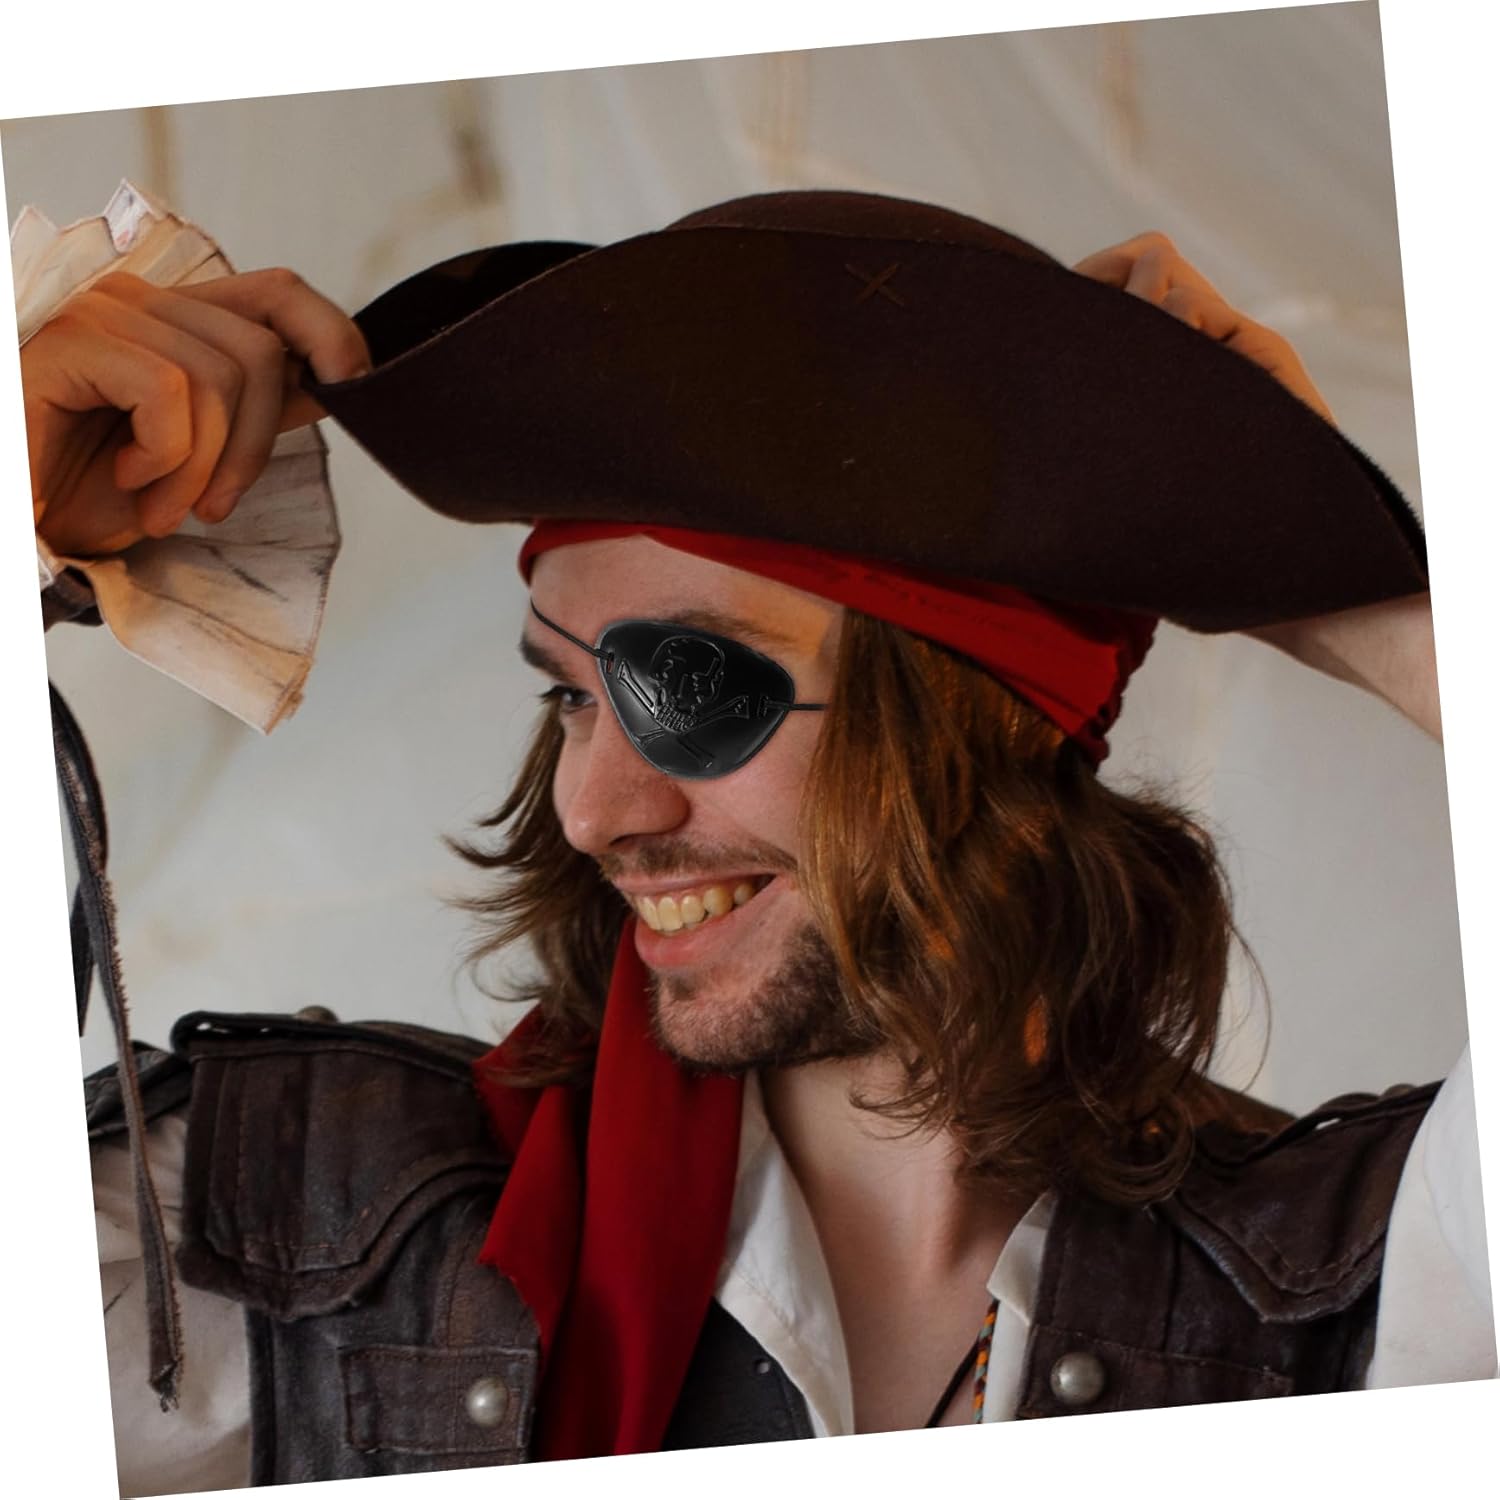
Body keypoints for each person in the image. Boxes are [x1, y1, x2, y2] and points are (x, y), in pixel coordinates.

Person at [24, 190, 1490, 1495]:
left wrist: (1309, 555)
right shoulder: (280, 1227)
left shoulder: (1349, 1292)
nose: (597, 811)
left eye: (690, 688)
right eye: (571, 697)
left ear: (978, 721)